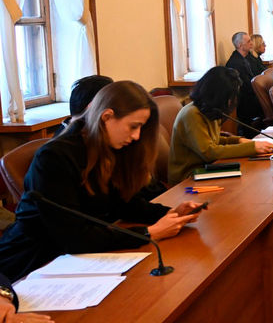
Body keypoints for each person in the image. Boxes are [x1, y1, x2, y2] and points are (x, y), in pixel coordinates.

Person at [0, 81, 204, 281]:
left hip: (82, 253)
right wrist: (148, 233)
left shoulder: (110, 147)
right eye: (133, 126)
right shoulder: (54, 157)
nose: (136, 136)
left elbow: (123, 204)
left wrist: (169, 213)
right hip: (34, 262)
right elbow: (73, 237)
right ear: (106, 117)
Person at [167, 67, 273, 183]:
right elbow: (209, 152)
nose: (231, 101)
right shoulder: (192, 114)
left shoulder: (210, 109)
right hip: (188, 176)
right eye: (229, 97)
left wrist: (239, 140)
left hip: (207, 167)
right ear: (217, 95)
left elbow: (213, 140)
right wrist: (252, 148)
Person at [224, 32, 264, 136]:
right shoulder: (235, 62)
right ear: (240, 45)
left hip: (251, 94)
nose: (251, 43)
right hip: (243, 100)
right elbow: (244, 86)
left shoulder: (248, 58)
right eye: (248, 41)